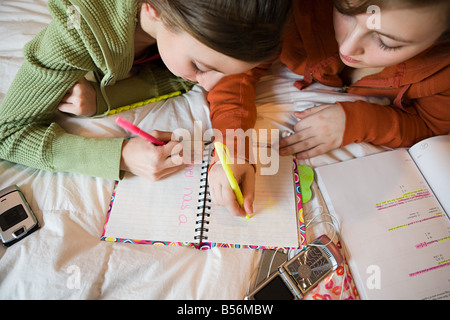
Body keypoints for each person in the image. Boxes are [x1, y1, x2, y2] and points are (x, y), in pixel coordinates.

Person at [0, 0, 292, 182]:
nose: (209, 86)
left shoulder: (200, 30)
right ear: (154, 8)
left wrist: (104, 99)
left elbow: (179, 79)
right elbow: (7, 134)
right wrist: (121, 155)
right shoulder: (76, 32)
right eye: (200, 67)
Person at [207, 0, 450, 216]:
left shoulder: (443, 71)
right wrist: (233, 149)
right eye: (345, 12)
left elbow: (431, 127)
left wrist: (360, 121)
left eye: (387, 42)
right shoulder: (298, 8)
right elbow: (236, 69)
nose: (347, 48)